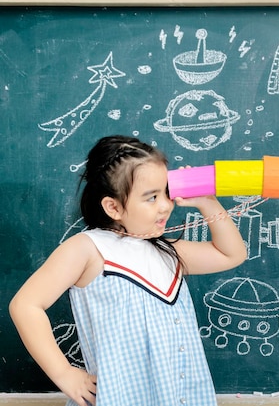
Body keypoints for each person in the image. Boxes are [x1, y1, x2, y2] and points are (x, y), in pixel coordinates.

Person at [9, 135, 248, 406]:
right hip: (121, 397)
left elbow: (232, 254)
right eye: (151, 197)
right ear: (113, 206)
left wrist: (207, 202)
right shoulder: (88, 249)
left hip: (181, 396)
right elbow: (26, 305)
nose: (166, 205)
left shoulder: (167, 251)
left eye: (166, 193)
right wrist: (64, 373)